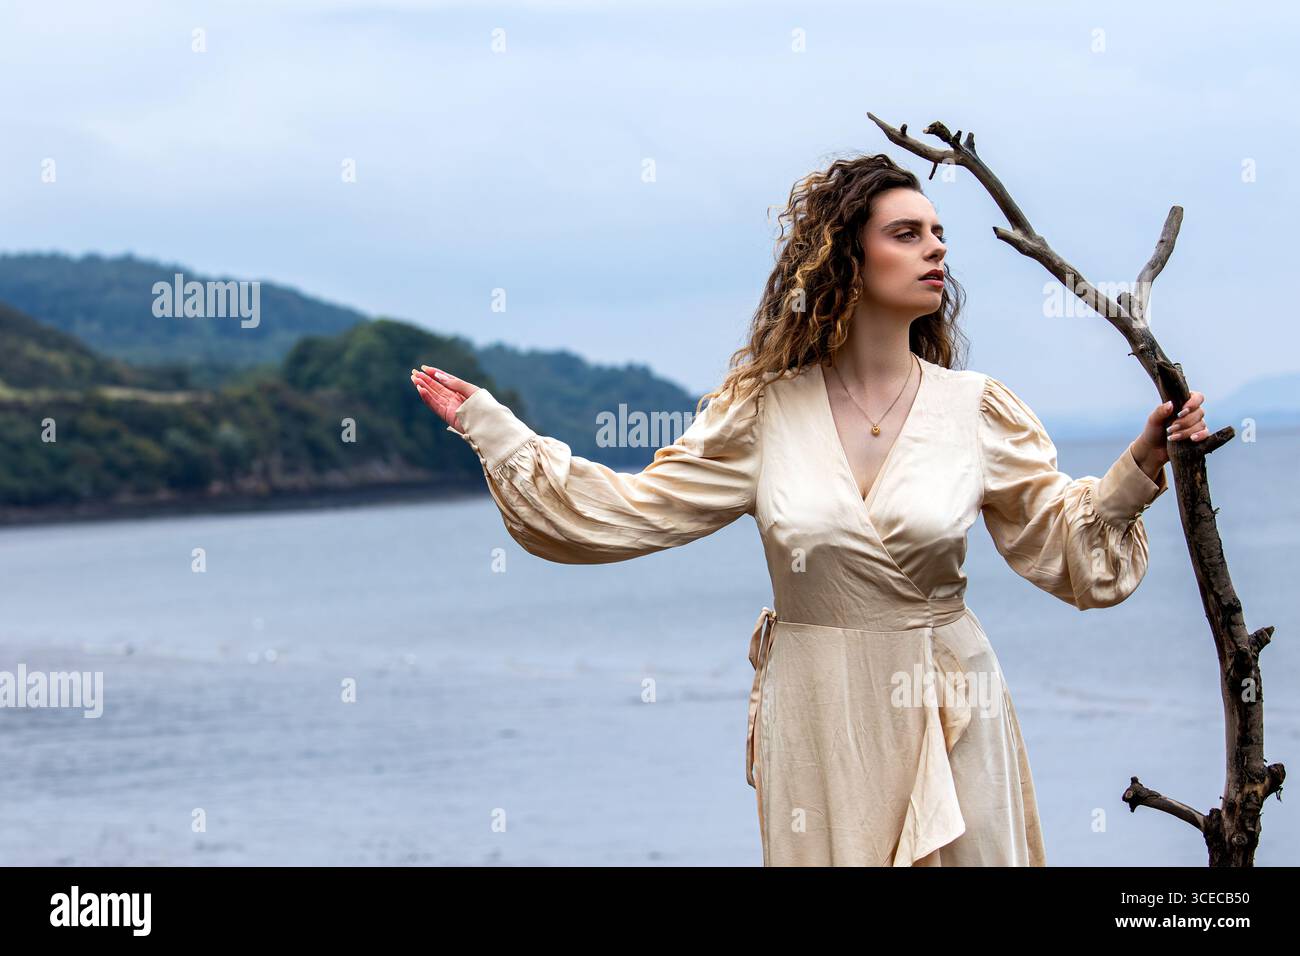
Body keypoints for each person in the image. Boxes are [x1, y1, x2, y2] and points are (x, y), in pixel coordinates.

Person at [408, 153, 1208, 867]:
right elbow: (629, 511)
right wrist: (496, 429)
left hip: (954, 701)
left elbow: (1063, 546)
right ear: (846, 259)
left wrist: (1141, 464)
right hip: (821, 714)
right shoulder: (764, 413)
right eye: (906, 233)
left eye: (939, 233)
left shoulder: (976, 409)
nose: (936, 248)